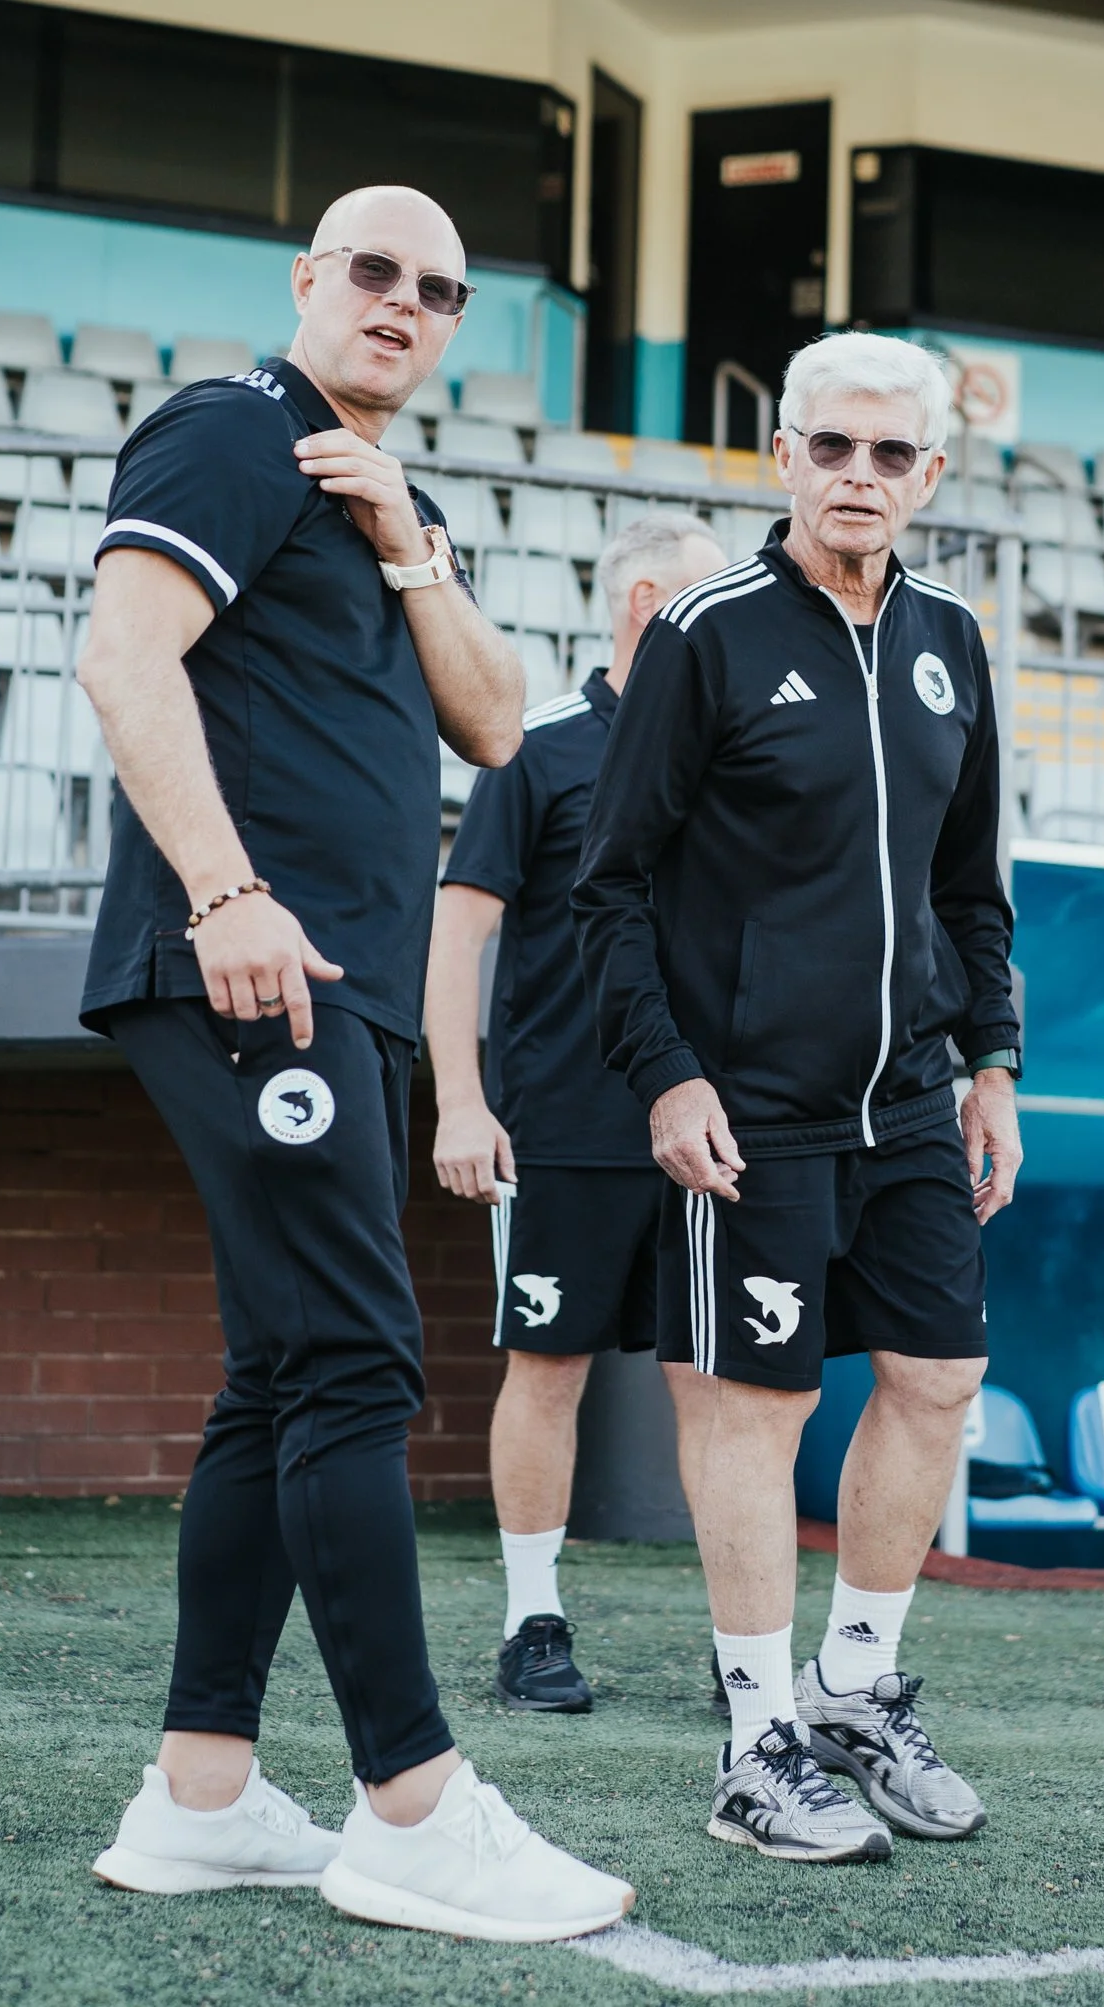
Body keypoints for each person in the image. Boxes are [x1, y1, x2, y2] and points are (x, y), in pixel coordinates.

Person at [77, 184, 633, 1940]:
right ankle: (411, 1799)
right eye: (373, 271)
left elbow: (492, 716)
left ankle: (204, 1791)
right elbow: (119, 649)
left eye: (441, 289)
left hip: (343, 987)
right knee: (356, 1361)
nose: (404, 302)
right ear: (309, 280)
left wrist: (410, 538)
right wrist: (227, 889)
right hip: (258, 958)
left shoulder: (377, 486)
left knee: (280, 1374)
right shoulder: (237, 430)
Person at [574, 331, 1023, 1864]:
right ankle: (754, 1738)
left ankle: (851, 1687)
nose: (856, 476)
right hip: (745, 1104)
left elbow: (972, 886)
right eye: (829, 447)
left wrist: (991, 1063)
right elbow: (611, 883)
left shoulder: (951, 640)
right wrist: (666, 1072)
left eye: (888, 455)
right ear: (781, 455)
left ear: (928, 474)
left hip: (908, 1096)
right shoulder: (703, 633)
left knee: (936, 1380)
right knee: (754, 1408)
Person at [424, 514, 728, 1714]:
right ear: (647, 603)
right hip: (562, 1125)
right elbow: (458, 932)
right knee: (545, 1369)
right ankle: (530, 1623)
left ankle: (740, 1637)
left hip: (711, 1128)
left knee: (718, 1387)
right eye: (711, 604)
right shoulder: (536, 746)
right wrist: (460, 1099)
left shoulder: (731, 750)